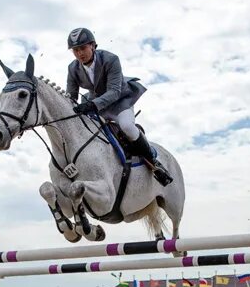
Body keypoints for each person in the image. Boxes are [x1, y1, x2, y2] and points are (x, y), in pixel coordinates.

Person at [65, 27, 173, 186]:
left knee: (127, 126)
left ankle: (154, 162)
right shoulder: (73, 68)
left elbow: (114, 91)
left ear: (93, 46)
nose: (79, 53)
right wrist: (72, 108)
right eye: (75, 50)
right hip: (97, 105)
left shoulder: (110, 59)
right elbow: (71, 96)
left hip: (120, 101)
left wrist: (92, 105)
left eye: (83, 48)